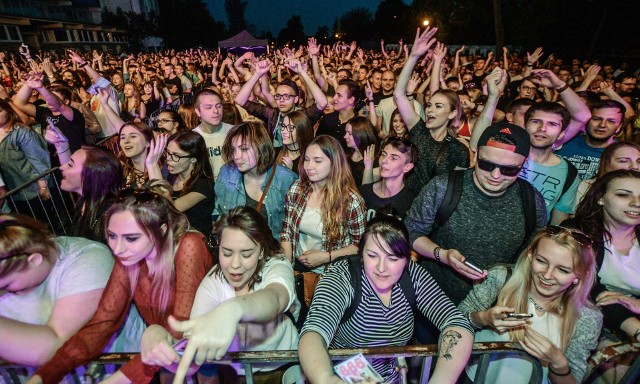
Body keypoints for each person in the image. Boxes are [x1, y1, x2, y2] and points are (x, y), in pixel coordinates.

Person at [30, 187, 214, 384]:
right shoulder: (128, 257)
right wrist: (44, 376)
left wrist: (116, 380)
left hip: (206, 349)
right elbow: (102, 323)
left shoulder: (189, 246)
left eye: (131, 238)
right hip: (164, 353)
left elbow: (180, 327)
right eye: (112, 236)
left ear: (161, 230)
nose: (117, 248)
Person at [298, 213, 474, 383]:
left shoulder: (413, 276)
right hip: (347, 374)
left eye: (392, 258)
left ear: (407, 259)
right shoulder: (343, 276)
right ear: (360, 253)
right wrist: (328, 380)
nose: (381, 268)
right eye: (372, 256)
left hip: (394, 375)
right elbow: (314, 331)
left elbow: (457, 323)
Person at [151, 206, 300, 383]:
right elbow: (194, 346)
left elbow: (275, 298)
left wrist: (235, 308)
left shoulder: (276, 264)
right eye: (227, 253)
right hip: (235, 372)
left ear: (261, 251)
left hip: (280, 365)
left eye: (246, 254)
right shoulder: (213, 281)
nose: (235, 264)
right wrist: (160, 339)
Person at [405, 123, 547, 305]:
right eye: (487, 164)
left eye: (509, 169)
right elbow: (411, 231)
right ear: (475, 155)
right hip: (432, 299)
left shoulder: (532, 201)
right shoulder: (443, 187)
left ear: (523, 164)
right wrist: (443, 255)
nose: (496, 175)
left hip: (493, 305)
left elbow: (532, 253)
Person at [458, 226, 602, 383]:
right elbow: (456, 319)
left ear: (580, 275)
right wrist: (483, 318)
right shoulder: (502, 279)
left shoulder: (587, 317)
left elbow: (573, 379)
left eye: (562, 270)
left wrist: (559, 363)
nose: (547, 275)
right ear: (530, 255)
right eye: (541, 261)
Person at [0, 214, 139, 370]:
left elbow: (56, 347)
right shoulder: (17, 268)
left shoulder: (90, 260)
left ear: (34, 260)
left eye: (7, 285)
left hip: (115, 368)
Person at [395, 28, 471, 194]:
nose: (429, 110)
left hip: (432, 215)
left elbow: (455, 191)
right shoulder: (419, 131)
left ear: (452, 113)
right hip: (404, 202)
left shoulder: (458, 150)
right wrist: (413, 56)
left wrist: (437, 63)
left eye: (438, 107)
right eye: (429, 105)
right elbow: (399, 94)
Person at [568, 170, 640, 344]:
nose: (636, 203)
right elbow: (586, 288)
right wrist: (636, 329)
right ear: (600, 198)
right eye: (623, 195)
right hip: (585, 321)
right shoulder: (576, 231)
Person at [281, 135, 366, 273]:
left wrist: (326, 257)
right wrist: (286, 269)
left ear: (334, 163)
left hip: (332, 272)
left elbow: (359, 245)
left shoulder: (351, 202)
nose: (309, 166)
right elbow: (286, 233)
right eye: (307, 160)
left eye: (318, 161)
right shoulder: (297, 188)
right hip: (298, 268)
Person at [215, 121, 297, 239]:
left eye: (244, 149)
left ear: (261, 147)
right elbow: (221, 215)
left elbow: (292, 228)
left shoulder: (285, 179)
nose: (236, 156)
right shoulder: (227, 174)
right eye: (233, 150)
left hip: (272, 251)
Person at [235, 59, 326, 148]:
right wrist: (257, 74)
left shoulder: (302, 115)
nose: (281, 100)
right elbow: (240, 100)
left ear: (296, 99)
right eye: (278, 96)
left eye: (286, 96)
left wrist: (302, 72)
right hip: (277, 160)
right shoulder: (272, 114)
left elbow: (322, 103)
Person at [57, 145, 123, 242]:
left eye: (70, 165)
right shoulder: (84, 203)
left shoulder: (109, 216)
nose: (61, 167)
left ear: (92, 175)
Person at [0, 99, 51, 215]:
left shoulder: (22, 132)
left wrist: (43, 187)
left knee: (42, 226)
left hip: (32, 191)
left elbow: (39, 160)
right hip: (12, 194)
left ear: (8, 111)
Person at [166, 131, 215, 235]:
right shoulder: (171, 176)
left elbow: (168, 209)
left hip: (194, 246)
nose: (168, 159)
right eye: (168, 152)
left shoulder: (203, 185)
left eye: (176, 155)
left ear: (193, 159)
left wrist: (152, 165)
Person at [360, 137, 418, 220]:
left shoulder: (412, 202)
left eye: (393, 158)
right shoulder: (363, 192)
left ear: (407, 167)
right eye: (383, 154)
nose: (384, 160)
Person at [574, 141, 640, 206]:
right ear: (607, 165)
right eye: (623, 161)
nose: (635, 166)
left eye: (639, 161)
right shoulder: (586, 187)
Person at [192, 89, 233, 180]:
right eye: (208, 107)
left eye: (218, 106)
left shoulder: (234, 132)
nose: (215, 111)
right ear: (198, 111)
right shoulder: (192, 138)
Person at [276, 110, 314, 174]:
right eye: (283, 126)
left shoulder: (308, 158)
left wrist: (290, 173)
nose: (283, 131)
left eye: (290, 128)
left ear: (301, 130)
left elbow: (307, 183)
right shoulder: (276, 153)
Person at [344, 116, 377, 186]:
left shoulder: (375, 161)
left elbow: (367, 188)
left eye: (349, 133)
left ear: (361, 135)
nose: (345, 136)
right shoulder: (346, 155)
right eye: (346, 132)